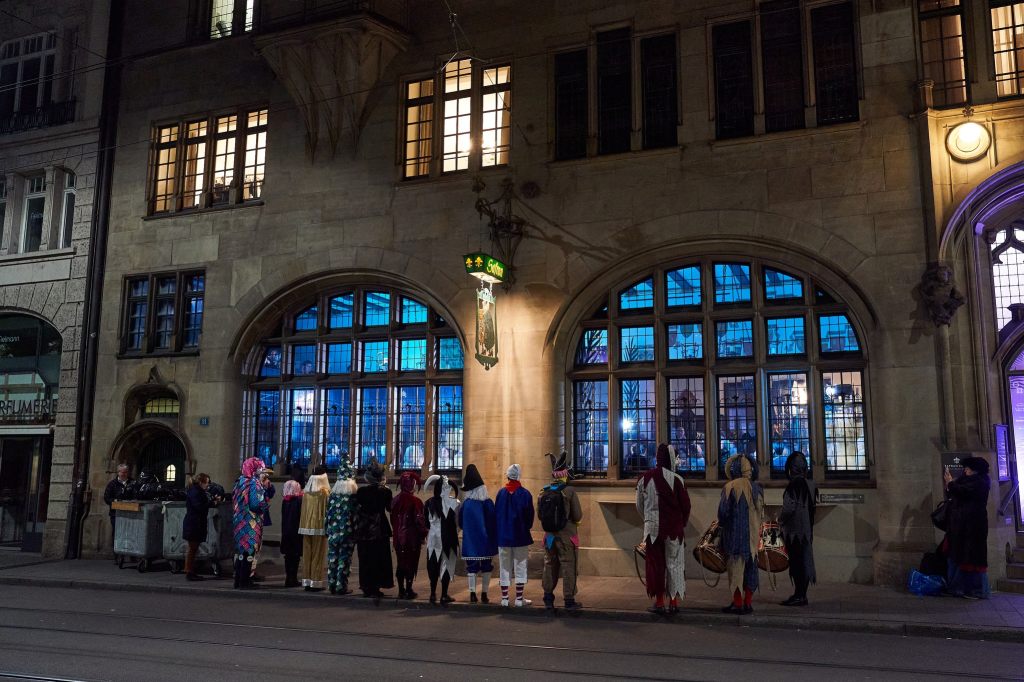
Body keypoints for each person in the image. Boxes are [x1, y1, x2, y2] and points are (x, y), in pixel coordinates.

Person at [636, 444, 691, 615]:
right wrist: (681, 523)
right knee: (675, 564)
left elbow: (639, 506)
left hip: (652, 530)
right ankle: (673, 602)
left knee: (655, 566)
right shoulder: (677, 480)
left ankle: (659, 602)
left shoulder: (644, 479)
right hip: (673, 530)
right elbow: (686, 506)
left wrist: (648, 520)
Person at [718, 454, 764, 614]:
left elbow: (723, 513)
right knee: (751, 569)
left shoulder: (730, 487)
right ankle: (748, 603)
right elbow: (761, 514)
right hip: (753, 537)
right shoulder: (758, 488)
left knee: (736, 570)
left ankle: (737, 603)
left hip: (735, 536)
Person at [538, 452, 583, 611]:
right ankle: (569, 600)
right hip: (566, 537)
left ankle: (548, 598)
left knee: (549, 564)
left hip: (549, 536)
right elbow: (577, 515)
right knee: (568, 565)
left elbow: (540, 515)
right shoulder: (569, 491)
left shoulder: (543, 491)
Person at [943, 456, 991, 599]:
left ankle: (976, 590)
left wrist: (950, 483)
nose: (965, 471)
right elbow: (956, 493)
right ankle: (957, 588)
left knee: (973, 559)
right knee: (958, 557)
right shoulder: (965, 480)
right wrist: (950, 485)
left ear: (975, 470)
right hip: (960, 526)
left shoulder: (980, 482)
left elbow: (963, 491)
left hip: (973, 527)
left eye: (968, 469)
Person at [778, 452, 816, 606]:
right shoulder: (811, 485)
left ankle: (799, 595)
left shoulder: (793, 485)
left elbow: (788, 509)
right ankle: (802, 594)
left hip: (794, 532)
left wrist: (780, 521)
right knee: (805, 561)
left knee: (796, 563)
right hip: (807, 530)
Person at [495, 463, 534, 607]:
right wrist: (525, 527)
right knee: (520, 566)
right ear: (518, 476)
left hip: (503, 537)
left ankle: (504, 598)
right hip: (520, 536)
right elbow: (530, 516)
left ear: (507, 476)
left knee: (504, 566)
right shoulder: (525, 494)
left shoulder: (500, 493)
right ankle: (519, 599)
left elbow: (496, 514)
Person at [355, 458, 394, 599]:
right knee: (379, 558)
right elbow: (390, 508)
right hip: (379, 528)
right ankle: (376, 587)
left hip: (364, 528)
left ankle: (366, 586)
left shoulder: (361, 491)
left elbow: (357, 508)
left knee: (365, 558)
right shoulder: (385, 492)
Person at [459, 463, 497, 603]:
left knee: (472, 568)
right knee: (487, 567)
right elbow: (493, 522)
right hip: (486, 542)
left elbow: (461, 523)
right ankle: (484, 594)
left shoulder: (466, 504)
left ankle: (472, 594)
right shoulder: (488, 503)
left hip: (471, 542)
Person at [232, 457, 270, 589]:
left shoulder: (239, 482)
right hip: (251, 522)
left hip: (238, 522)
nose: (262, 471)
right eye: (260, 469)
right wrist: (265, 505)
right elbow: (255, 504)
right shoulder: (254, 483)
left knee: (241, 552)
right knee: (249, 552)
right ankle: (245, 582)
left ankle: (238, 581)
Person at [391, 471, 428, 599]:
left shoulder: (395, 500)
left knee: (401, 563)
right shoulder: (416, 501)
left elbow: (393, 520)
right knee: (411, 563)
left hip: (398, 538)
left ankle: (401, 590)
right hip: (411, 539)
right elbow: (419, 521)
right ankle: (408, 589)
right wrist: (423, 534)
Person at [424, 474, 459, 604]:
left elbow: (426, 523)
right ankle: (444, 594)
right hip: (449, 537)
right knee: (446, 564)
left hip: (433, 538)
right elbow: (457, 522)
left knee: (433, 565)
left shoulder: (429, 503)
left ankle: (433, 593)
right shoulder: (454, 503)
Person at [326, 457, 358, 595]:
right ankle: (341, 586)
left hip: (333, 532)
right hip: (347, 533)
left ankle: (332, 585)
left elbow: (327, 514)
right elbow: (355, 515)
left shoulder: (333, 495)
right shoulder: (352, 495)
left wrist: (327, 529)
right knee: (344, 559)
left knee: (332, 558)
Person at [299, 466, 331, 590]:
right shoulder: (324, 493)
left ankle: (306, 582)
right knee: (318, 554)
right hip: (318, 527)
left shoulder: (306, 492)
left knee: (307, 554)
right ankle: (315, 582)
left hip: (305, 526)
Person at [182, 473, 215, 582]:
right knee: (192, 548)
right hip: (194, 523)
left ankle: (190, 571)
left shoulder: (195, 491)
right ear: (201, 482)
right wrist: (211, 503)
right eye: (206, 482)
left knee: (193, 548)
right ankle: (189, 571)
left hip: (195, 523)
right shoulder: (195, 492)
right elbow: (199, 506)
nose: (208, 485)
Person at [251, 468, 275, 582]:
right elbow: (256, 504)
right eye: (265, 478)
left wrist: (268, 486)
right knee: (252, 547)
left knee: (257, 547)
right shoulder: (253, 487)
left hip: (260, 519)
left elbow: (270, 494)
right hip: (252, 520)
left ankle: (252, 570)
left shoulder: (263, 487)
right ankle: (248, 572)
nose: (267, 480)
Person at [103, 463, 131, 556]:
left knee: (130, 534)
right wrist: (114, 501)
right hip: (116, 514)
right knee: (117, 533)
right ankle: (117, 555)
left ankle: (131, 553)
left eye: (126, 472)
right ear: (118, 472)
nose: (124, 474)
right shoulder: (112, 484)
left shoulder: (132, 483)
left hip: (130, 513)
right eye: (122, 472)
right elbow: (106, 498)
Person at [279, 479, 303, 588]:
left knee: (288, 556)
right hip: (295, 532)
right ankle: (293, 578)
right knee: (295, 556)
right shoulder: (298, 501)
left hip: (286, 532)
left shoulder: (285, 501)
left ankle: (289, 578)